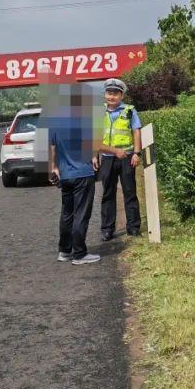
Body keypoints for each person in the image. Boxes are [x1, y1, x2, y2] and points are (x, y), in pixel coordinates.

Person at [48, 86, 101, 265]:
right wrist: (94, 157)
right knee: (81, 213)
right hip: (82, 174)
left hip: (65, 175)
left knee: (67, 213)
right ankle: (79, 254)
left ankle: (64, 251)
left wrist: (54, 168)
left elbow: (53, 149)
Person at [98, 77, 142, 240]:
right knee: (108, 194)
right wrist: (94, 156)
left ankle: (133, 227)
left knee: (130, 192)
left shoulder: (130, 110)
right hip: (107, 158)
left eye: (115, 94)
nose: (112, 96)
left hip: (127, 157)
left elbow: (136, 131)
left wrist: (137, 153)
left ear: (121, 95)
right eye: (109, 93)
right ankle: (107, 229)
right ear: (105, 95)